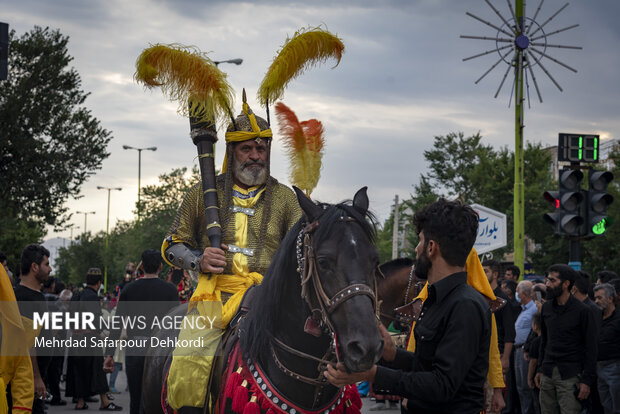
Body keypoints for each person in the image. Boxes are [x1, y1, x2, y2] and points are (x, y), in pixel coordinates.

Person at [163, 96, 302, 412]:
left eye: (261, 148)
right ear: (231, 151)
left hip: (271, 299)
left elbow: (301, 249)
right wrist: (200, 259)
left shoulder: (285, 198)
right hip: (215, 298)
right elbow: (171, 245)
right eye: (247, 149)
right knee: (188, 369)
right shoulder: (202, 194)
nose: (255, 156)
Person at [325, 199, 492, 414]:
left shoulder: (465, 305)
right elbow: (426, 366)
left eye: (420, 241)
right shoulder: (437, 299)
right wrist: (393, 354)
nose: (416, 248)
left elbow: (442, 385)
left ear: (431, 247)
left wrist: (372, 374)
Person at [104, 250, 179, 414]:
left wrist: (109, 354)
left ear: (142, 266)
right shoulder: (170, 290)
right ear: (160, 266)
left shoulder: (129, 290)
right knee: (158, 399)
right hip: (161, 350)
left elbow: (117, 325)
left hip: (135, 348)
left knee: (136, 398)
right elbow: (175, 326)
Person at [535, 264, 598, 414]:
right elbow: (544, 341)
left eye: (552, 281)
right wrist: (540, 368)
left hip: (570, 375)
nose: (547, 285)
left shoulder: (583, 311)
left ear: (566, 284)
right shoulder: (546, 308)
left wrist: (586, 381)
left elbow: (591, 347)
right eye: (547, 280)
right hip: (547, 372)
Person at [66, 268, 121, 411]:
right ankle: (104, 401)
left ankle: (80, 401)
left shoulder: (76, 295)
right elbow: (95, 320)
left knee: (79, 370)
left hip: (75, 338)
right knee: (97, 369)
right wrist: (108, 327)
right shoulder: (92, 297)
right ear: (98, 283)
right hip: (89, 338)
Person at [12, 244, 51, 414]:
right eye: (46, 264)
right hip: (27, 380)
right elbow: (28, 343)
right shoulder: (26, 299)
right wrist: (36, 377)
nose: (50, 269)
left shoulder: (35, 296)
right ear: (35, 267)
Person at [482, 259, 515, 414]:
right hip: (483, 355)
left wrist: (505, 358)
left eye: (486, 271)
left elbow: (509, 333)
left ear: (495, 274)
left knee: (494, 401)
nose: (482, 274)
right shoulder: (482, 295)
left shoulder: (503, 300)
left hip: (498, 354)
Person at [593, 283, 620, 414]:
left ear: (610, 299)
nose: (596, 301)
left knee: (617, 405)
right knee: (606, 404)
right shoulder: (596, 318)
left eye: (600, 298)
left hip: (614, 366)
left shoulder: (618, 318)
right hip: (598, 367)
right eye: (595, 298)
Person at [514, 280, 538, 414]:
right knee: (520, 387)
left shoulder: (534, 308)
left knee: (526, 386)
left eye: (518, 291)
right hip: (518, 350)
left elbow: (534, 331)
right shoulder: (524, 310)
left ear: (523, 293)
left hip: (526, 352)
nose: (516, 294)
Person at [526, 312, 543, 414]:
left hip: (537, 377)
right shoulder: (547, 339)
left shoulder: (535, 342)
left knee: (538, 404)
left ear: (535, 326)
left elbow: (533, 362)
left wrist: (529, 378)